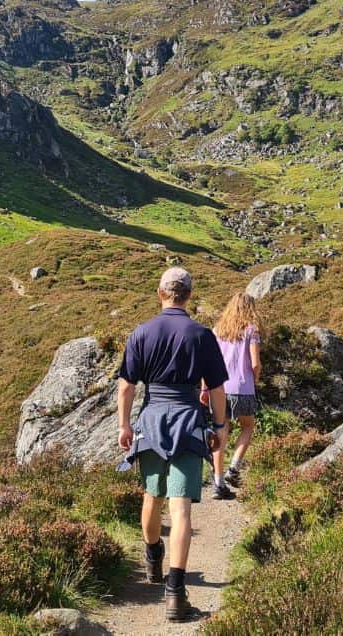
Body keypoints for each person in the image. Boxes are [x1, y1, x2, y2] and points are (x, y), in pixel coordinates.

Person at [117, 266, 229, 623]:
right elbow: (216, 390)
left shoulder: (141, 333)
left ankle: (152, 561)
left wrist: (124, 426)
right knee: (181, 509)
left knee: (152, 497)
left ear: (160, 292)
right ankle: (176, 594)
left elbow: (127, 386)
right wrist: (220, 425)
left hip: (151, 422)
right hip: (187, 422)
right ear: (189, 296)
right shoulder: (201, 334)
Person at [208, 292, 264, 499]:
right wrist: (255, 378)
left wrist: (205, 389)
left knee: (221, 433)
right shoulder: (251, 330)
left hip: (219, 388)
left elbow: (209, 363)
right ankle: (234, 467)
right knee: (248, 427)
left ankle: (218, 483)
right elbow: (255, 362)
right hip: (243, 387)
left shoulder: (217, 331)